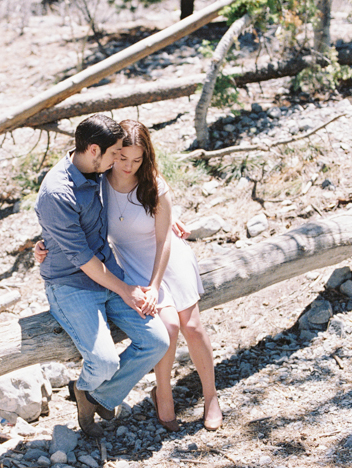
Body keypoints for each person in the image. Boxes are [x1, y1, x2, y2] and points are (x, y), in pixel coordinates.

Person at [36, 120, 223, 432]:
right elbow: (65, 224)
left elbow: (155, 217)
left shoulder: (121, 174)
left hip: (139, 263)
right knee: (151, 336)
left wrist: (169, 216)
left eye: (133, 159)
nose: (123, 164)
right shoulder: (87, 180)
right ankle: (146, 396)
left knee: (176, 331)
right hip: (102, 272)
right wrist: (45, 245)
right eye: (118, 156)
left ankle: (207, 396)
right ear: (102, 152)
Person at [34, 114, 170, 438]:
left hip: (107, 271)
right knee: (105, 361)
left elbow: (143, 194)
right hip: (71, 283)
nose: (117, 162)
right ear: (94, 150)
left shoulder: (94, 169)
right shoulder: (57, 192)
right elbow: (82, 259)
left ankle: (99, 395)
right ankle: (84, 387)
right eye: (113, 155)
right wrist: (127, 290)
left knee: (157, 341)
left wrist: (168, 219)